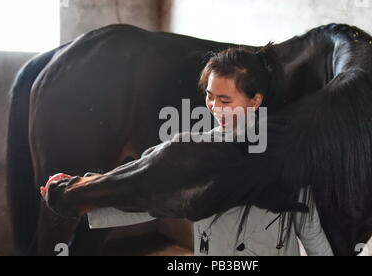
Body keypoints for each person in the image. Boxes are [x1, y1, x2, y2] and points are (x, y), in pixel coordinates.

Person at [45, 43, 333, 256]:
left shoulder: (286, 151)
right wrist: (82, 197)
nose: (214, 107)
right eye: (209, 96)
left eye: (225, 99)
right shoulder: (192, 150)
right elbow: (148, 200)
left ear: (255, 100)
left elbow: (308, 226)